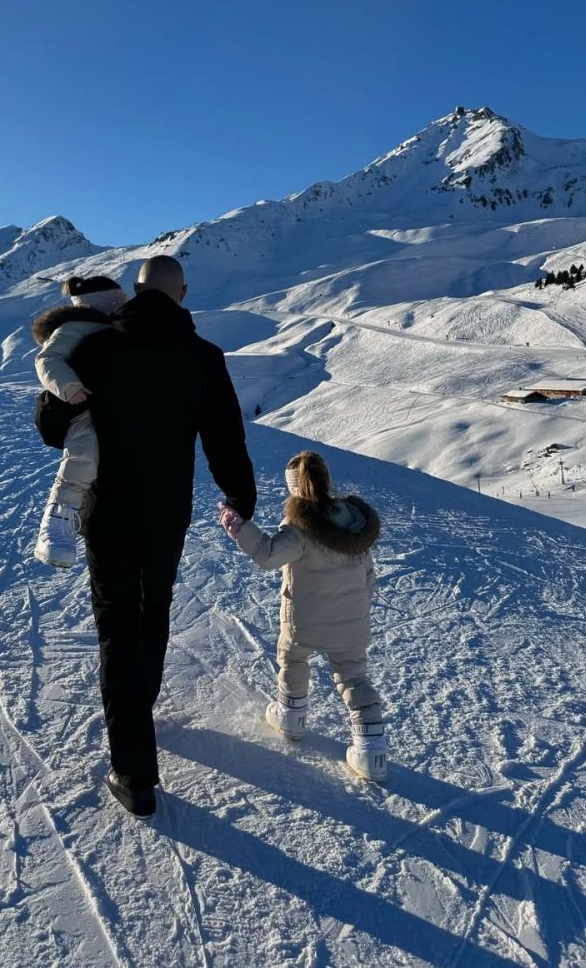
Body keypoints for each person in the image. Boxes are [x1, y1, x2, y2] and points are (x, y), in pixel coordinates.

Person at [70, 255, 256, 817]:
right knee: (154, 609)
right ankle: (138, 709)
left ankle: (132, 771)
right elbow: (225, 435)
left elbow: (51, 425)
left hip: (106, 507)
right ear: (183, 294)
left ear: (135, 290)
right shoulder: (202, 355)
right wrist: (239, 498)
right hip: (167, 509)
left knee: (117, 622)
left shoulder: (97, 348)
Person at [219, 450, 387, 782]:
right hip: (352, 625)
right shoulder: (355, 523)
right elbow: (369, 577)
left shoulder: (299, 529)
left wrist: (238, 528)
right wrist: (357, 609)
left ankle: (291, 716)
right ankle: (371, 751)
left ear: (294, 488)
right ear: (328, 480)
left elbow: (268, 554)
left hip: (305, 623)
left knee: (293, 658)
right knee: (354, 678)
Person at [31, 275, 128, 567]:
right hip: (83, 405)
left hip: (107, 404)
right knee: (85, 451)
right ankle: (57, 518)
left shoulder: (117, 328)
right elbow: (47, 360)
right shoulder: (74, 327)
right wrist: (70, 388)